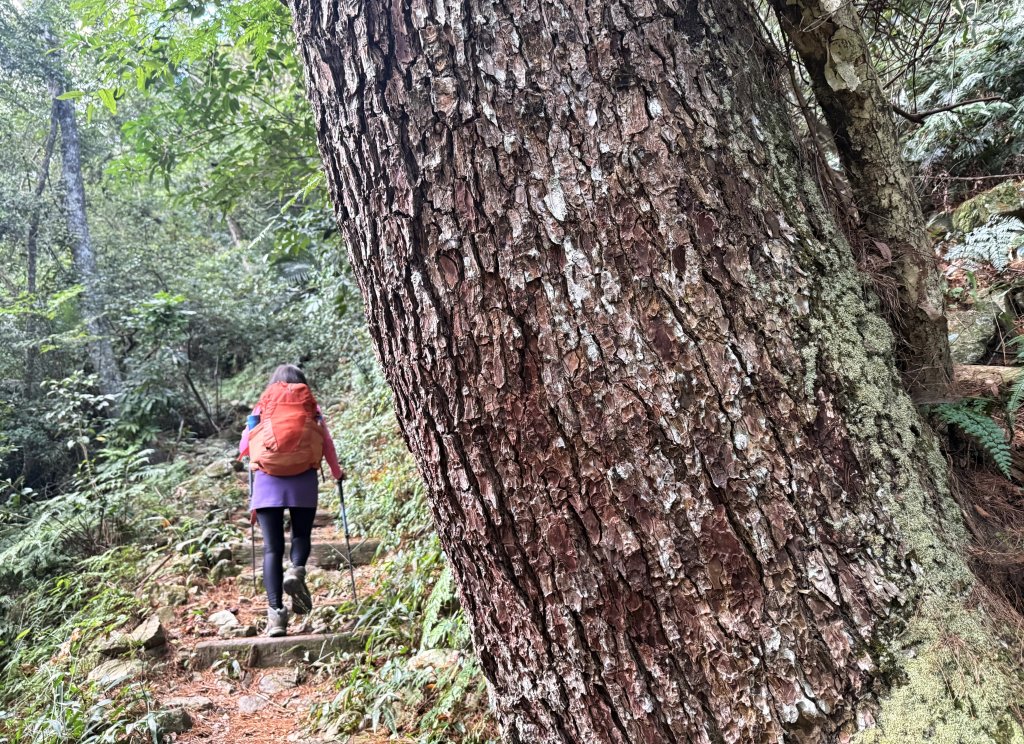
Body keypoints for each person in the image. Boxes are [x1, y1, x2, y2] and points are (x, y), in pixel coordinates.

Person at [239, 364, 344, 637]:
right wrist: (336, 473)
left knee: (272, 549)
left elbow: (245, 446)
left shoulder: (262, 408)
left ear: (273, 383)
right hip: (303, 480)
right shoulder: (311, 409)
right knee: (301, 535)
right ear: (302, 384)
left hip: (266, 483)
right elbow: (327, 443)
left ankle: (276, 616)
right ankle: (296, 570)